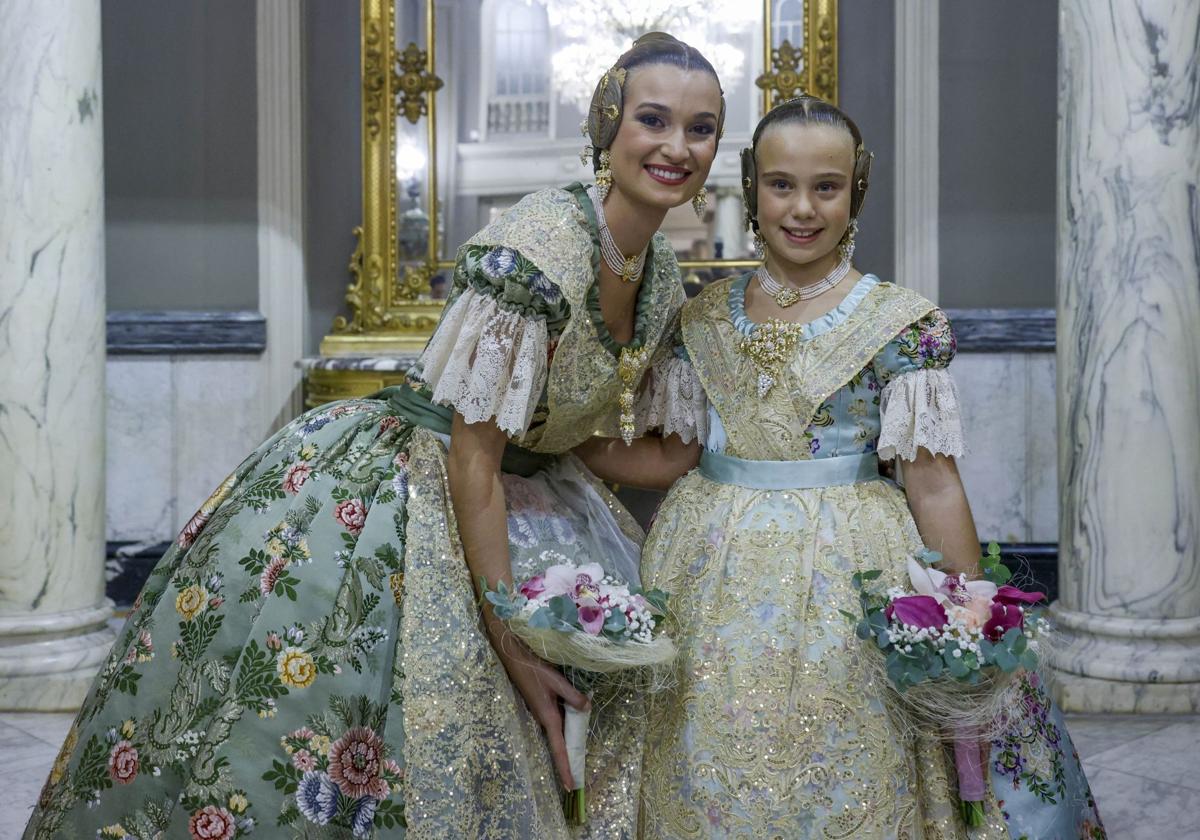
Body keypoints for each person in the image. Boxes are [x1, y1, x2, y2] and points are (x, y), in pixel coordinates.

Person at [25, 33, 720, 840]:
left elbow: (593, 441)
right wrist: (512, 639)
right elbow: (474, 456)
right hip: (406, 485)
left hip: (522, 482)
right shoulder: (540, 248)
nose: (676, 146)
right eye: (654, 119)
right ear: (609, 122)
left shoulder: (659, 270)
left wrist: (770, 469)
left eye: (701, 128)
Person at [579, 95, 1104, 838]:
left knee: (845, 756)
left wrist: (967, 617)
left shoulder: (899, 322)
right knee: (706, 760)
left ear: (855, 191)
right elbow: (675, 455)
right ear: (750, 186)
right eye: (781, 184)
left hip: (850, 576)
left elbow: (931, 480)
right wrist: (559, 442)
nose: (802, 208)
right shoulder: (700, 317)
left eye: (825, 187)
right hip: (707, 572)